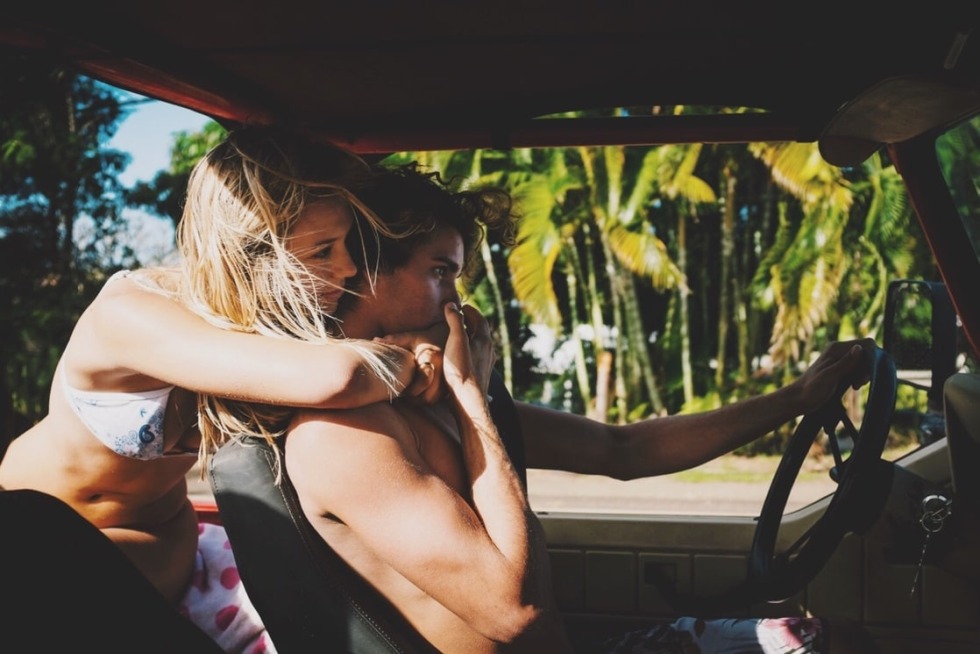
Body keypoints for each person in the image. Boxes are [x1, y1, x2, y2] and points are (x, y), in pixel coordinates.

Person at [275, 162, 877, 653]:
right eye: (440, 273)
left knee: (838, 640)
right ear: (368, 274)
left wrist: (797, 399)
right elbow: (514, 612)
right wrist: (470, 399)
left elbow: (625, 448)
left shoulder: (432, 402)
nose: (458, 301)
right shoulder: (343, 435)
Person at [0, 128, 439, 653]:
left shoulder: (262, 331)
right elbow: (340, 376)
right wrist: (413, 355)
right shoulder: (129, 313)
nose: (345, 267)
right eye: (324, 249)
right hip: (48, 546)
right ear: (252, 251)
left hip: (174, 556)